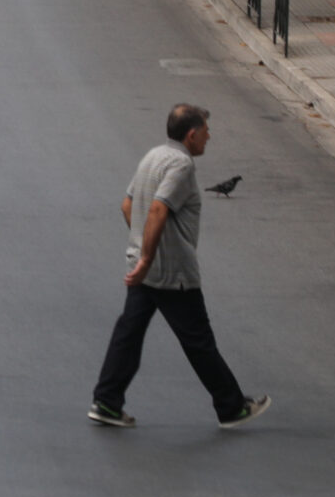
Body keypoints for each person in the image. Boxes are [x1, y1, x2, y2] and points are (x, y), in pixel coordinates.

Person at [89, 102, 270, 430]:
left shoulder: (152, 156)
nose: (208, 137)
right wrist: (149, 256)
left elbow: (128, 205)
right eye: (205, 131)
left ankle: (107, 401)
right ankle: (231, 407)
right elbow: (158, 209)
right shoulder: (182, 166)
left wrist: (142, 251)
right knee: (198, 340)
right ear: (191, 134)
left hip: (145, 271)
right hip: (173, 274)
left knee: (128, 333)